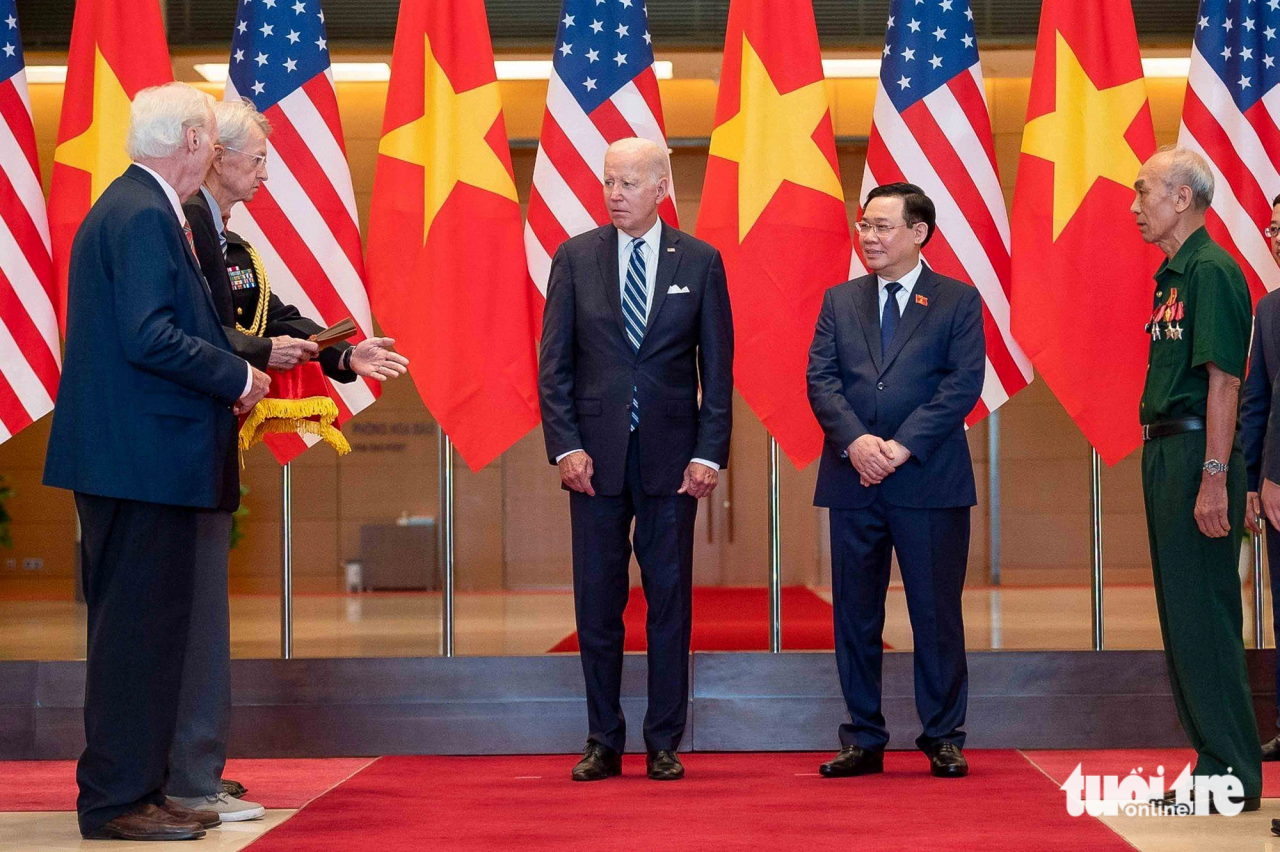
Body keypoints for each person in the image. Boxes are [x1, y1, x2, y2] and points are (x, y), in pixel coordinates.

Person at [167, 97, 408, 822]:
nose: (266, 173)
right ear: (216, 157)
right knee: (186, 623)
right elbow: (194, 333)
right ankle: (187, 776)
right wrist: (257, 352)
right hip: (176, 447)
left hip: (206, 448)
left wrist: (341, 352)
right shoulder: (183, 228)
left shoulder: (230, 243)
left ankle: (193, 768)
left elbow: (270, 317)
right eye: (258, 159)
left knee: (200, 622)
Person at [42, 83, 271, 841]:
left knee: (149, 636)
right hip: (139, 463)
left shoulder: (138, 206)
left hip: (141, 462)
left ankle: (141, 789)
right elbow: (149, 335)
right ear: (194, 142)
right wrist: (237, 377)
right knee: (133, 641)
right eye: (209, 137)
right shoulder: (142, 213)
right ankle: (116, 800)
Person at [538, 137, 733, 782]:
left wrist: (709, 453)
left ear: (660, 189)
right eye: (608, 182)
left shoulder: (700, 261)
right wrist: (566, 446)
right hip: (592, 464)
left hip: (673, 465)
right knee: (597, 605)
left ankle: (664, 740)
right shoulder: (575, 257)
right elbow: (554, 366)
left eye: (627, 183)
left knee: (669, 603)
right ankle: (603, 739)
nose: (614, 194)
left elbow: (717, 372)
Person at [806, 182, 984, 780]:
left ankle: (943, 736)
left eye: (883, 227)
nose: (869, 237)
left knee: (936, 613)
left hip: (929, 481)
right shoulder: (840, 300)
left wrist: (901, 447)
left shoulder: (957, 300)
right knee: (855, 616)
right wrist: (857, 443)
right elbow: (821, 380)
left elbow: (961, 385)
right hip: (852, 478)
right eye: (864, 226)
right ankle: (863, 737)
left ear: (919, 232)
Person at [1130, 146, 1261, 813]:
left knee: (1205, 617)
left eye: (1143, 191)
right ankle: (1213, 762)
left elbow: (1225, 381)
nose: (1135, 206)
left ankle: (1231, 771)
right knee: (1183, 617)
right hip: (1166, 452)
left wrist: (1215, 476)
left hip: (1195, 455)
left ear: (1183, 198)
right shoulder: (1173, 276)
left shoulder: (1211, 270)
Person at [1240, 195, 1280, 764]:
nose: (1276, 237)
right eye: (1273, 228)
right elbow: (1259, 401)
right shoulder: (1268, 309)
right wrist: (1252, 480)